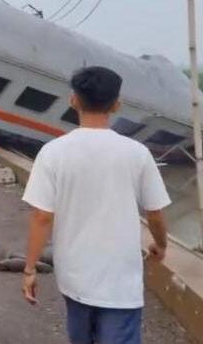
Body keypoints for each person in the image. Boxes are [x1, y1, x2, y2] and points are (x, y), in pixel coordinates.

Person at [21, 66, 171, 344]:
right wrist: (161, 245)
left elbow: (42, 216)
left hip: (74, 277)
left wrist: (30, 269)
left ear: (73, 100)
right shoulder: (137, 154)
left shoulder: (53, 152)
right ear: (116, 104)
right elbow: (155, 212)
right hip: (120, 281)